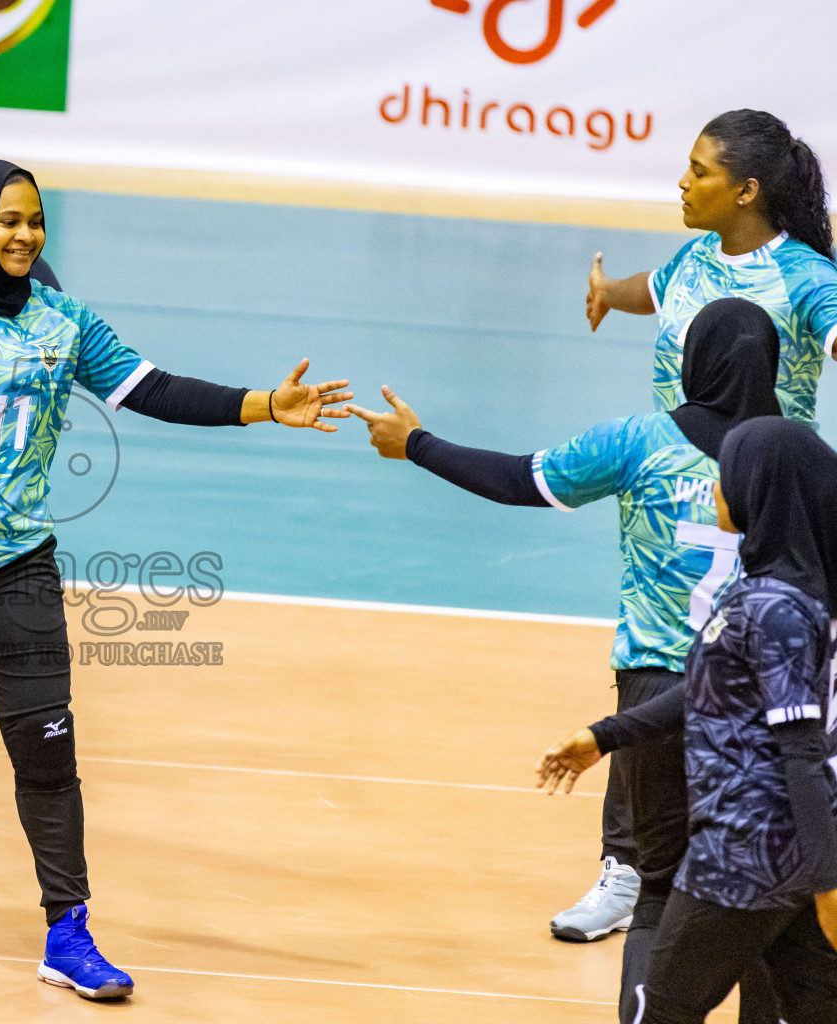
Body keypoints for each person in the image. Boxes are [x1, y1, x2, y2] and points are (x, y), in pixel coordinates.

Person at [0, 160, 352, 1000]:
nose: (23, 235)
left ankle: (67, 930)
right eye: (7, 220)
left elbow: (153, 387)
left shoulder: (59, 318)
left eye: (35, 221)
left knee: (48, 747)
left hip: (15, 561)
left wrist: (262, 403)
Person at [346, 297, 783, 1023]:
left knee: (658, 890)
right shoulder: (795, 455)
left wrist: (415, 442)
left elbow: (521, 480)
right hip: (764, 695)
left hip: (655, 694)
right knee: (771, 897)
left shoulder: (640, 441)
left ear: (693, 361)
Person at [537, 417, 837, 1023]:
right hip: (795, 857)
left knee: (661, 1010)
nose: (717, 490)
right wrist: (607, 735)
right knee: (812, 1010)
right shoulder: (795, 594)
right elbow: (716, 688)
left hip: (743, 857)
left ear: (757, 491)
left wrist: (832, 886)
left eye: (726, 477)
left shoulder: (771, 607)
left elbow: (802, 752)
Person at [586, 109, 837, 425]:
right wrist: (605, 291)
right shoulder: (697, 255)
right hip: (674, 462)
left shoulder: (805, 275)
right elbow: (653, 289)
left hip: (760, 469)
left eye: (699, 172)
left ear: (746, 191)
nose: (683, 182)